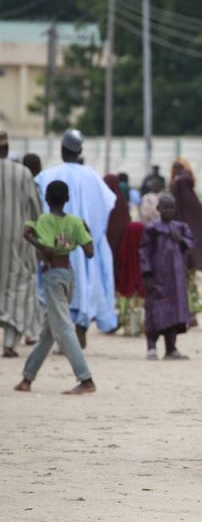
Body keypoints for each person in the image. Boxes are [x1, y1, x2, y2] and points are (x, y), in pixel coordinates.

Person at [34, 130, 118, 346]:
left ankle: (61, 337)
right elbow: (107, 205)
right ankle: (79, 330)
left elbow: (37, 208)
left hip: (54, 249)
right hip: (84, 246)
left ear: (62, 149)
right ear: (80, 151)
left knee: (56, 294)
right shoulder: (91, 176)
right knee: (85, 287)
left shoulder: (48, 176)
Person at [15, 180, 96, 394]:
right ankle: (27, 378)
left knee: (63, 328)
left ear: (47, 199)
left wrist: (30, 238)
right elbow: (89, 252)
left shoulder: (45, 220)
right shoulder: (75, 222)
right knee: (48, 333)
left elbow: (48, 252)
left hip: (53, 276)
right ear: (67, 199)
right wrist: (85, 230)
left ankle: (85, 379)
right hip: (69, 276)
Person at [0, 130, 43, 356]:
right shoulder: (23, 173)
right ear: (7, 149)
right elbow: (36, 211)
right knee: (19, 288)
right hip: (16, 241)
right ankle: (9, 342)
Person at [139, 194, 192, 360]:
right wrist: (146, 273)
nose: (169, 210)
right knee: (155, 310)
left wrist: (180, 239)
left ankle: (171, 348)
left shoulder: (181, 227)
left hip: (176, 278)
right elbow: (144, 251)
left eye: (172, 207)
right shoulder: (152, 228)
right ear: (158, 209)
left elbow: (190, 245)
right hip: (157, 276)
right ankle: (152, 347)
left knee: (174, 313)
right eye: (166, 207)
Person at [169, 158, 202, 325]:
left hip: (183, 251)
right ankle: (190, 314)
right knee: (189, 282)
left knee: (183, 282)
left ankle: (188, 314)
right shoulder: (196, 204)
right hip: (192, 251)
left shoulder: (176, 203)